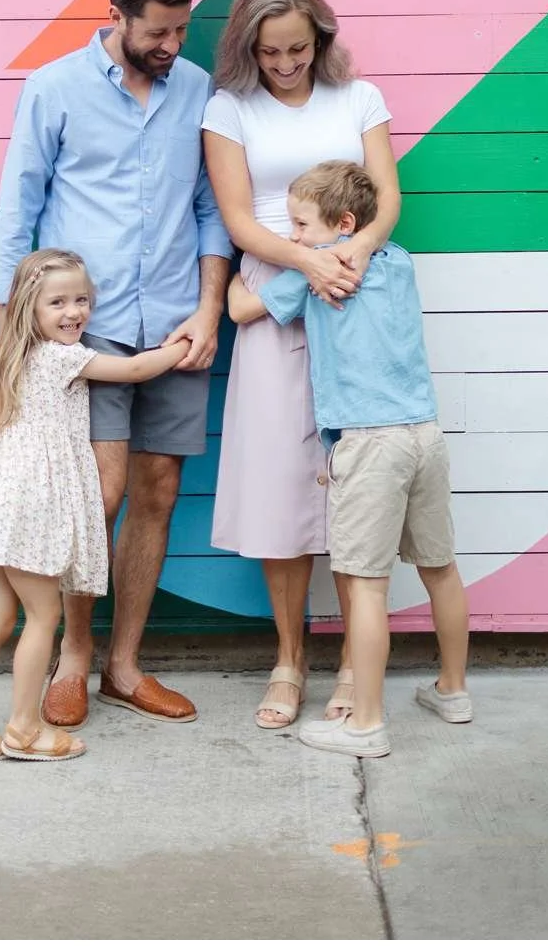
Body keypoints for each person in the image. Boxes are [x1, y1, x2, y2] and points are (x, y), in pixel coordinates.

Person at [0, 0, 232, 728]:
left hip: (175, 320)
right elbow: (18, 206)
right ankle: (73, 655)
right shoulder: (53, 88)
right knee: (96, 496)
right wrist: (11, 339)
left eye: (181, 30)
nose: (171, 46)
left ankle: (125, 665)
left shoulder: (196, 90)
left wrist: (207, 306)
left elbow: (207, 209)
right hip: (82, 333)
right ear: (117, 15)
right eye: (157, 31)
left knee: (158, 490)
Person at [202, 0, 401, 730]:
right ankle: (289, 658)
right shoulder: (229, 109)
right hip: (276, 295)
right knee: (283, 483)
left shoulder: (360, 100)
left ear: (321, 37)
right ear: (249, 49)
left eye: (299, 48)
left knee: (357, 479)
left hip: (352, 293)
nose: (286, 64)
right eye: (271, 52)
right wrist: (303, 263)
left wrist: (350, 255)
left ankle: (358, 657)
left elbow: (386, 196)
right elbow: (236, 218)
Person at [227, 161, 472, 759]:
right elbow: (375, 237)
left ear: (340, 224)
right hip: (423, 433)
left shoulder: (317, 271)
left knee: (365, 586)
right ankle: (453, 691)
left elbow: (240, 308)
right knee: (439, 567)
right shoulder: (400, 261)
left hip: (368, 442)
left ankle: (364, 723)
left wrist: (254, 271)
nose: (294, 238)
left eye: (301, 225)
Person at [0, 250, 193, 763]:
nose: (74, 311)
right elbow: (137, 367)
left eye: (82, 300)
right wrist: (181, 345)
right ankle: (25, 729)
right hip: (30, 509)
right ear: (31, 309)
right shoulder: (59, 356)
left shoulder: (15, 358)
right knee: (43, 616)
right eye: (58, 302)